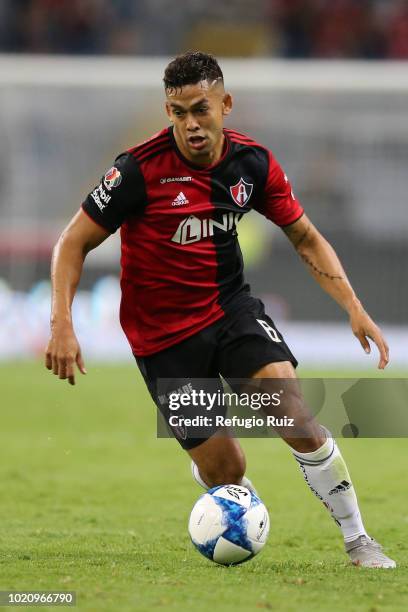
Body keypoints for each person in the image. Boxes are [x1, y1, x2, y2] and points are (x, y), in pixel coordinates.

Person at [45, 51, 395, 568]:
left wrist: (354, 307)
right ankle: (223, 490)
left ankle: (358, 539)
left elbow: (304, 236)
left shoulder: (252, 164)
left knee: (289, 409)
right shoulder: (137, 170)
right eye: (178, 111)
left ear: (225, 104)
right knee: (227, 469)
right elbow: (72, 243)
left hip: (229, 308)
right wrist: (62, 323)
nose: (190, 124)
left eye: (201, 109)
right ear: (168, 112)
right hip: (162, 339)